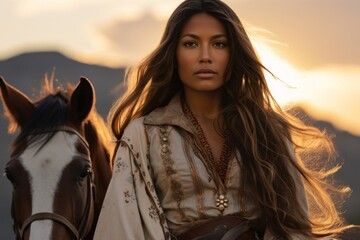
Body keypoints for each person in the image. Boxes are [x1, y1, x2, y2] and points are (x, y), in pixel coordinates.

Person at [94, 0, 351, 239]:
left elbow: (295, 227)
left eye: (219, 44)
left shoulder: (269, 130)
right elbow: (122, 226)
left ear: (234, 53)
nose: (205, 56)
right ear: (173, 54)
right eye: (191, 44)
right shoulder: (143, 134)